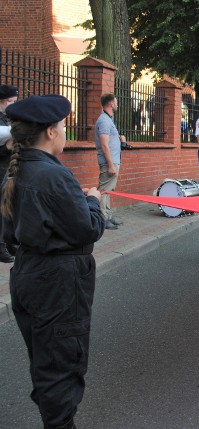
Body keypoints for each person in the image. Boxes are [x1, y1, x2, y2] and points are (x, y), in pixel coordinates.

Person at [2, 95, 106, 429]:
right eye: (62, 126)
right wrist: (92, 201)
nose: (64, 131)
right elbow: (89, 229)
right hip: (57, 283)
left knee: (46, 362)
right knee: (61, 367)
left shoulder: (21, 169)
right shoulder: (51, 175)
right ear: (50, 131)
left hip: (30, 274)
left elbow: (10, 232)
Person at [95, 93, 126, 230]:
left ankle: (108, 214)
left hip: (113, 161)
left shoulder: (108, 120)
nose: (117, 104)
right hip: (109, 162)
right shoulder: (104, 120)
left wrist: (120, 139)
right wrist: (110, 165)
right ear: (111, 104)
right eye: (116, 102)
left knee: (109, 190)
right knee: (104, 190)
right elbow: (104, 145)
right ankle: (102, 218)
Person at [0, 84, 19, 262]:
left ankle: (9, 241)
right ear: (3, 101)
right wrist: (6, 147)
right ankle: (1, 246)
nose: (14, 104)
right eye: (12, 101)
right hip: (1, 168)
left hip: (9, 167)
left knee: (9, 205)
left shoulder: (8, 119)